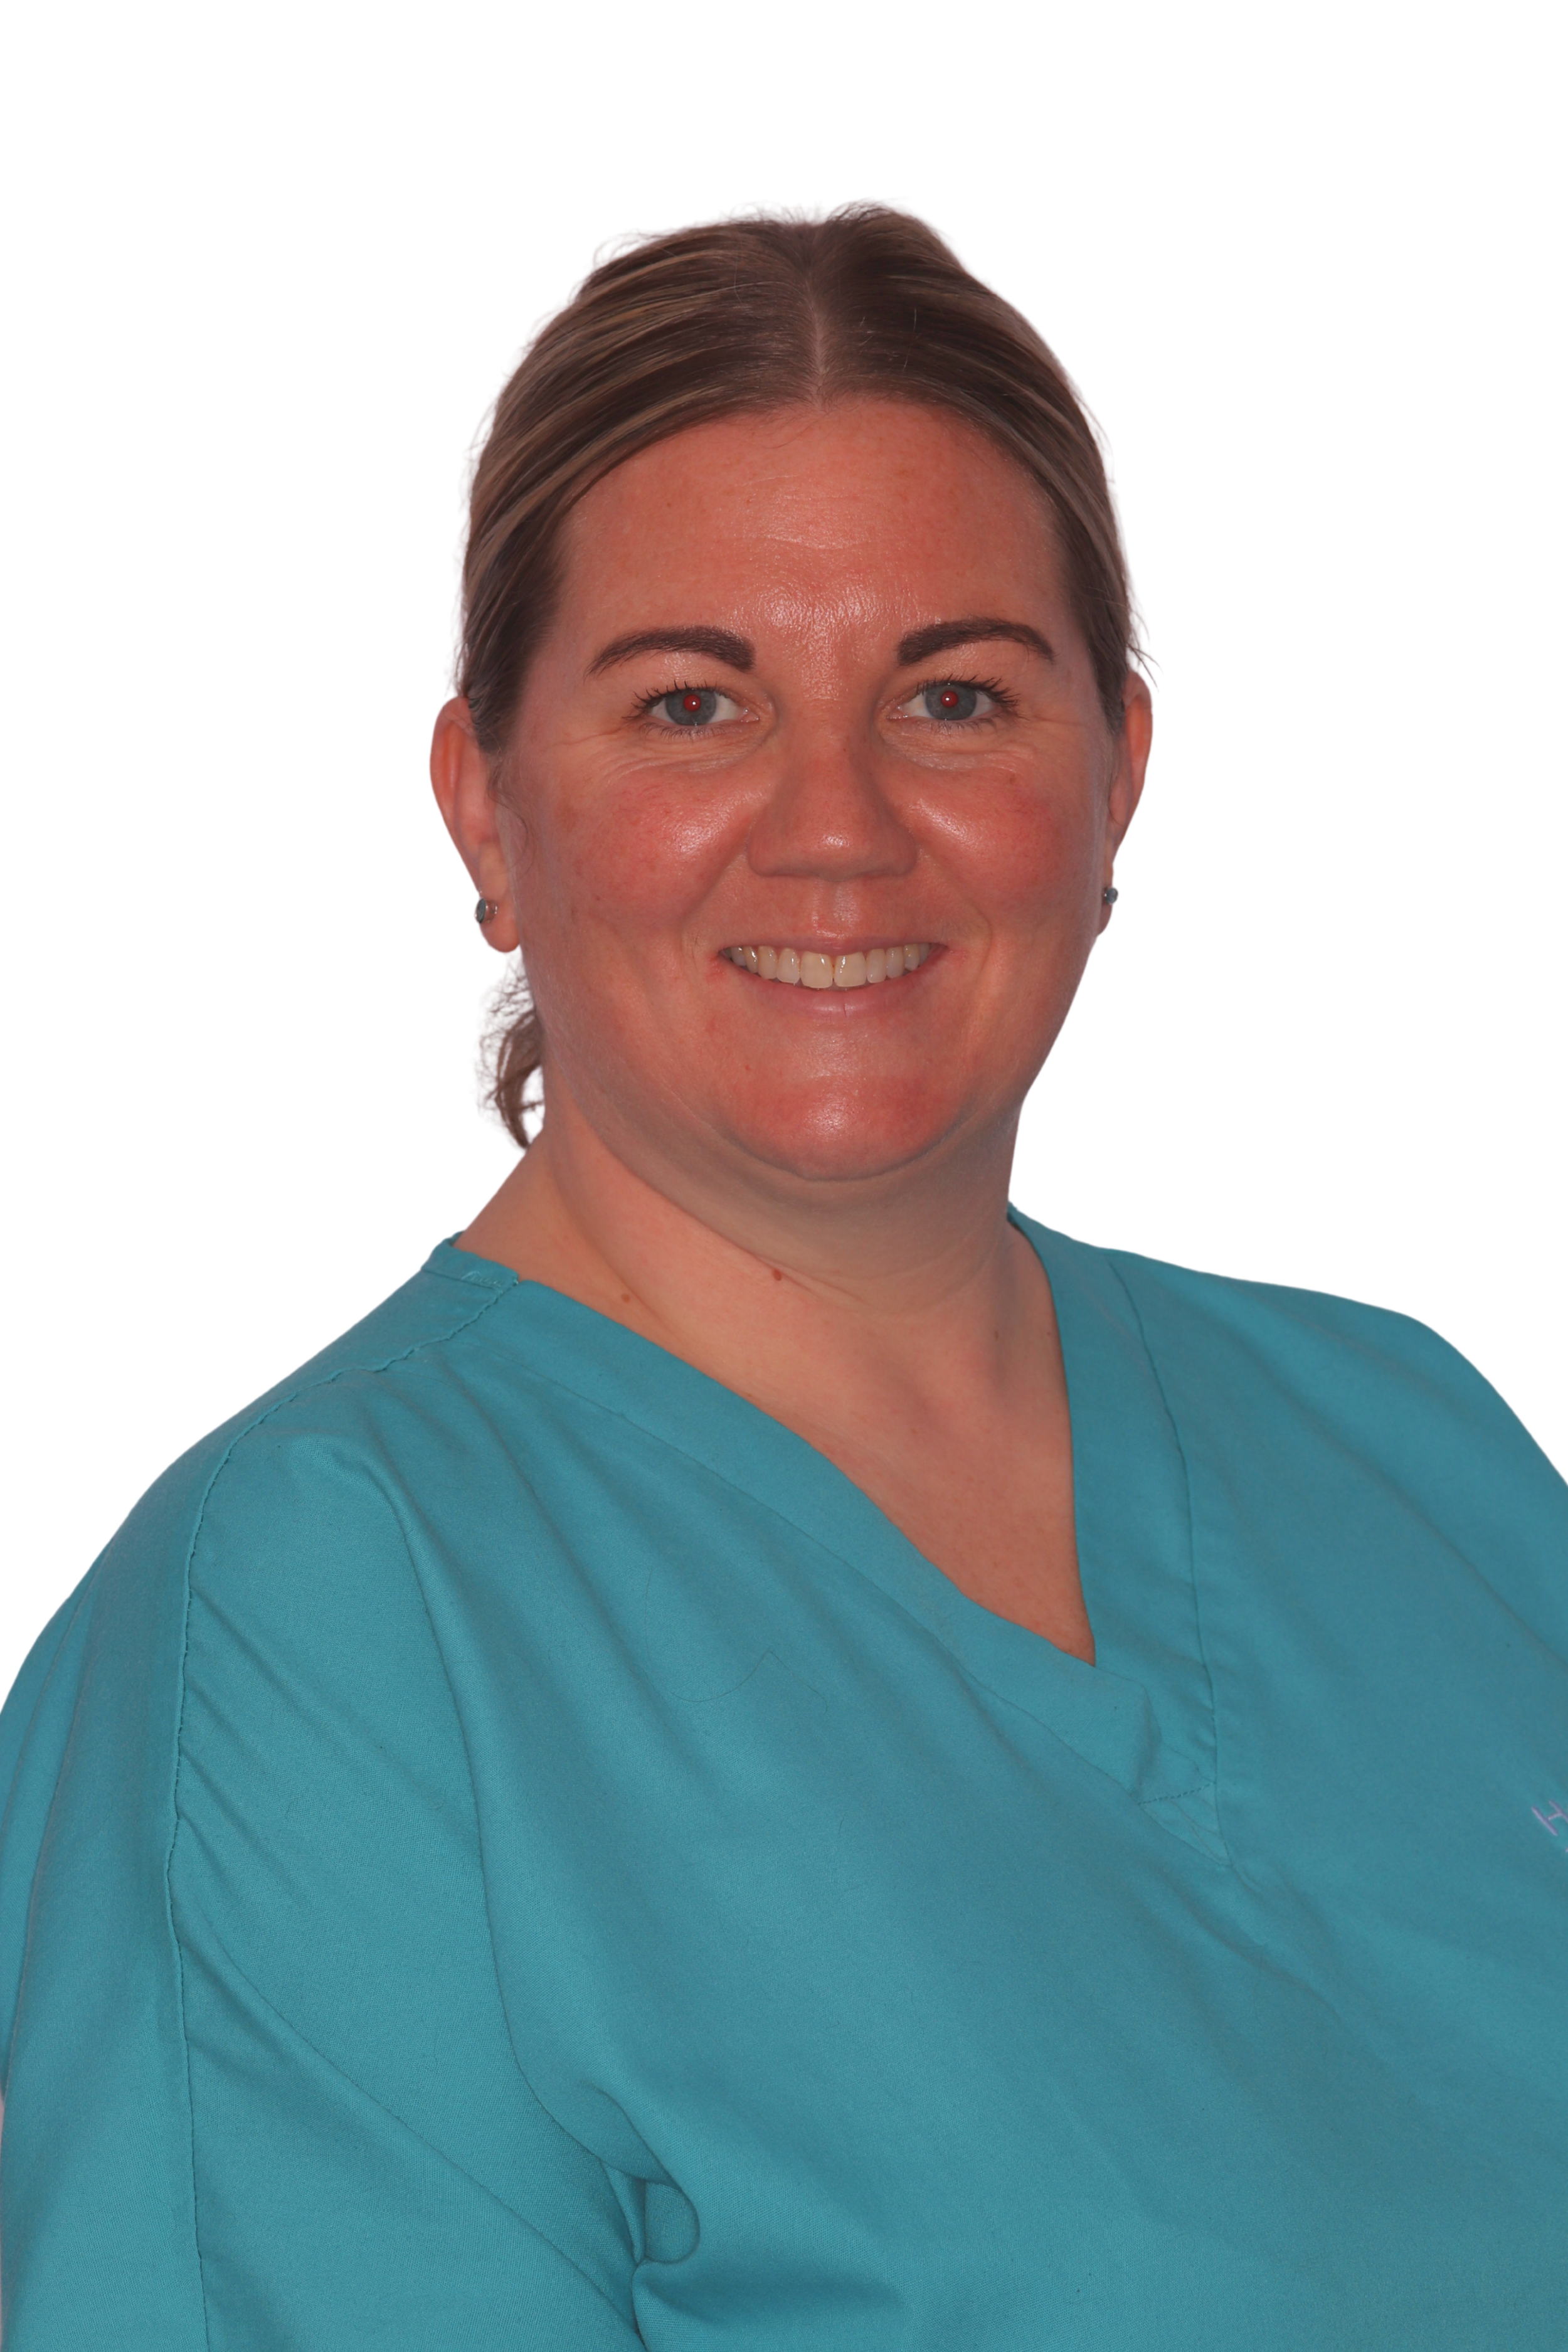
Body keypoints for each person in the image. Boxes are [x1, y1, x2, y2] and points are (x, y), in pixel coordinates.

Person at [1, 206, 1564, 2351]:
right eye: (692, 702)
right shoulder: (314, 1634)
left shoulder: (1411, 1449)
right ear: (486, 805)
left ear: (1114, 766)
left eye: (950, 693)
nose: (835, 824)